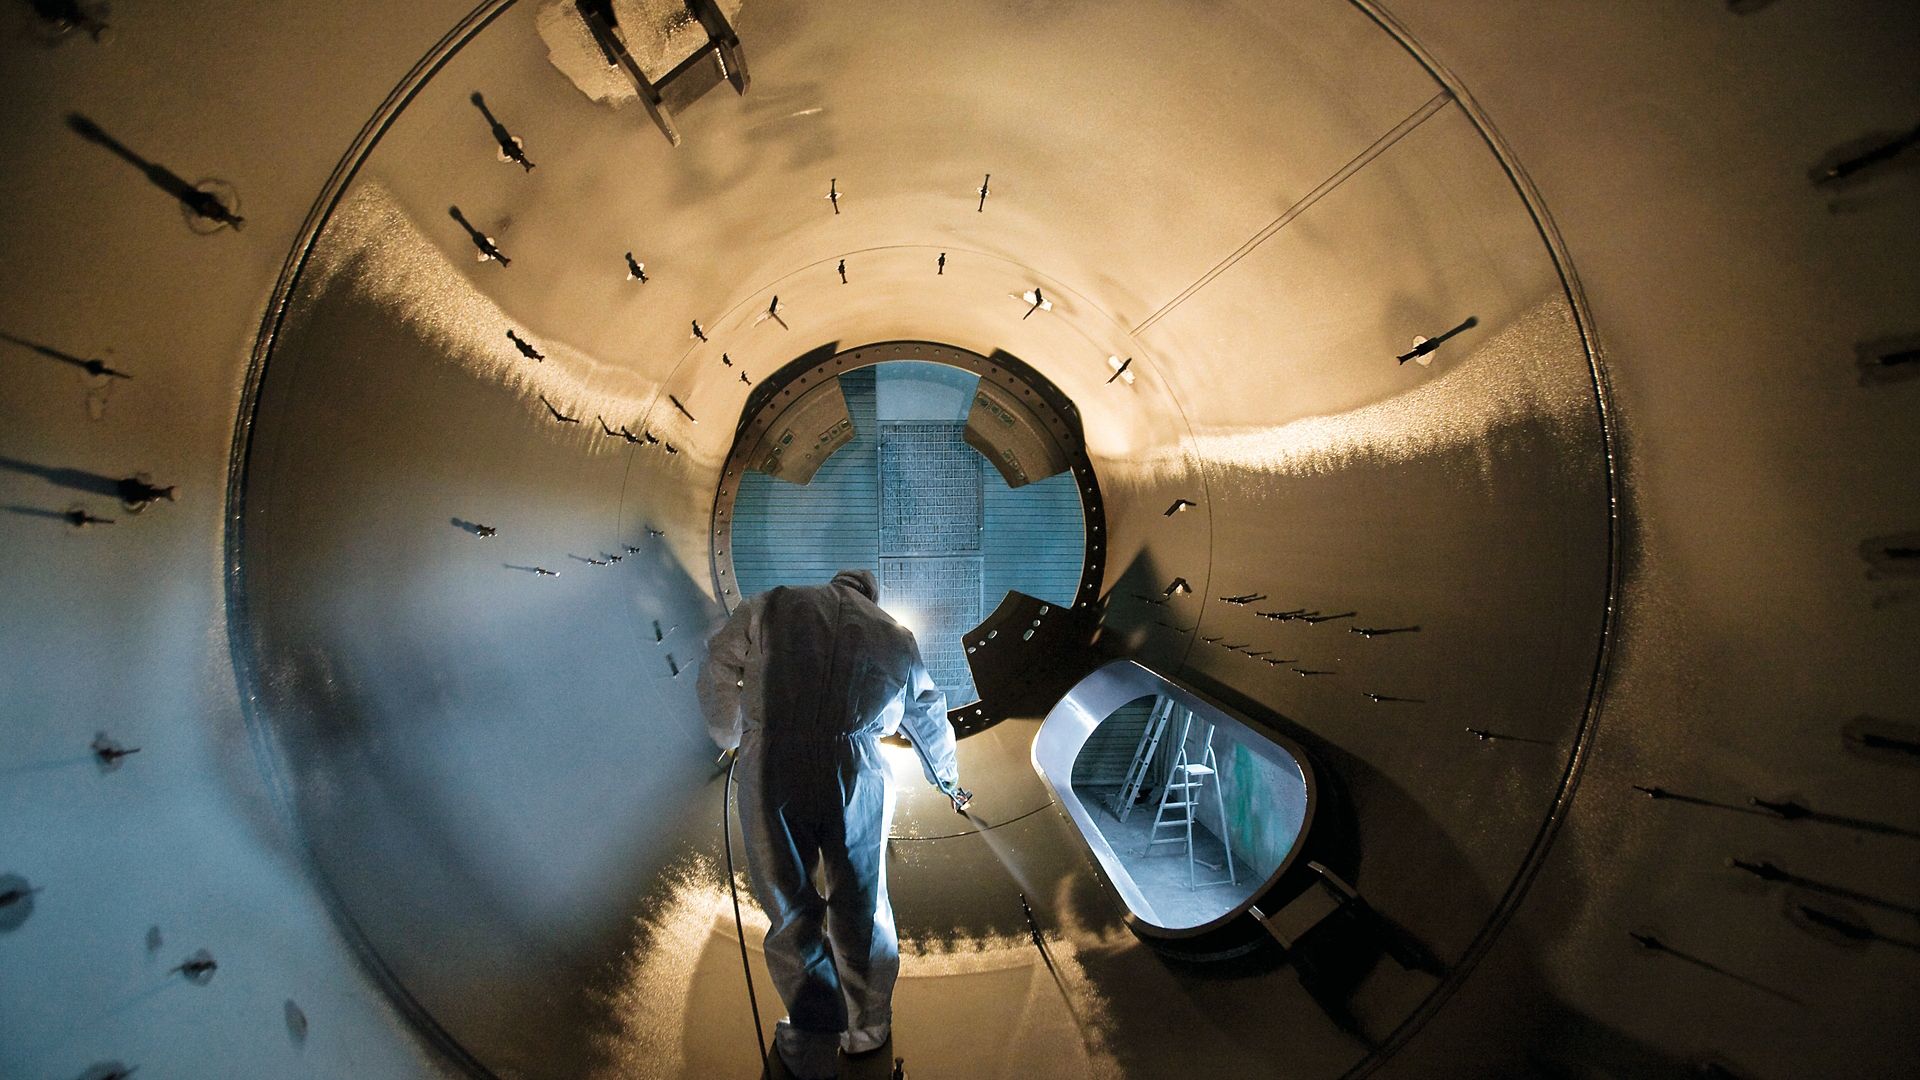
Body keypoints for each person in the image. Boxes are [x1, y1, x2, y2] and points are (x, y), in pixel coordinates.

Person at [698, 569, 966, 1080]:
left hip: (772, 760)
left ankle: (813, 1033)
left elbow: (719, 663)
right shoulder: (894, 633)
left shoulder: (772, 603)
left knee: (789, 903)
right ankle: (866, 1029)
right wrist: (948, 782)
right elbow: (928, 716)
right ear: (871, 595)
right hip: (857, 766)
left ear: (834, 583)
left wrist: (730, 733)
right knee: (862, 904)